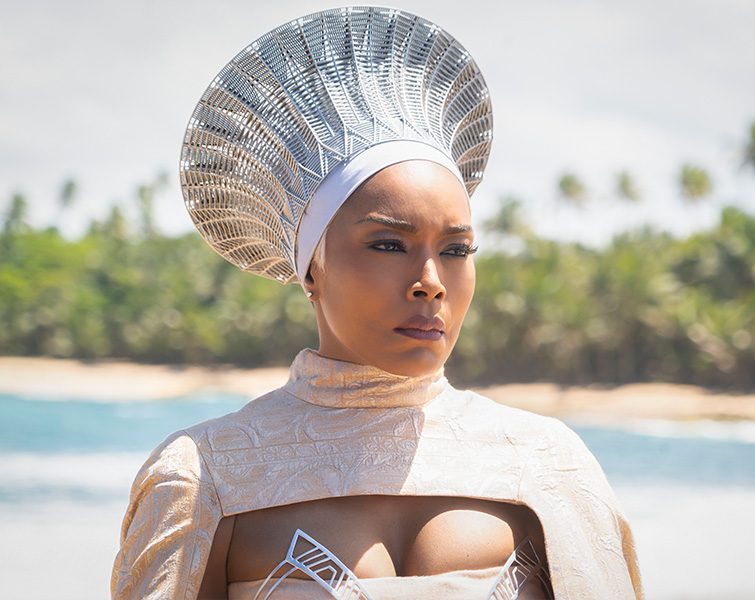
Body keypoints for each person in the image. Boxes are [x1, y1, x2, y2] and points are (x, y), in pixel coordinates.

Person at [111, 7, 644, 599]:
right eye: (389, 244)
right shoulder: (207, 475)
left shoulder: (547, 467)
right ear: (312, 267)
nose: (430, 281)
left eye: (457, 249)